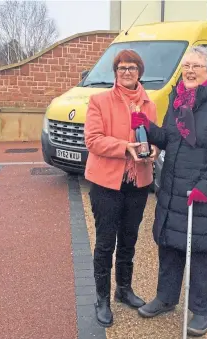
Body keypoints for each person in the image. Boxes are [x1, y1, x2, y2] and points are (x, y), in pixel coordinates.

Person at [131, 46, 207, 336]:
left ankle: (202, 310)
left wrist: (206, 187)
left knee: (200, 254)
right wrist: (147, 128)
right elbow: (169, 138)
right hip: (173, 189)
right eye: (186, 66)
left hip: (202, 194)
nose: (189, 71)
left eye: (196, 66)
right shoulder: (178, 101)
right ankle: (166, 298)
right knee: (169, 246)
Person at [84, 49, 158, 328]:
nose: (127, 72)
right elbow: (93, 140)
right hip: (106, 184)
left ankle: (123, 290)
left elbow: (154, 137)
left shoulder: (148, 104)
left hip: (137, 183)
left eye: (132, 67)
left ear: (140, 72)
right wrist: (125, 148)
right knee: (105, 243)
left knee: (129, 240)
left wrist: (155, 150)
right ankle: (101, 298)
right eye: (122, 68)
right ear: (115, 72)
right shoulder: (99, 101)